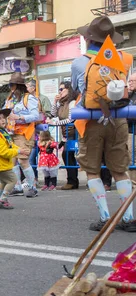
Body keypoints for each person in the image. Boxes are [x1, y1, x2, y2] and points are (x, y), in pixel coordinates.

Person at [71, 16, 136, 231]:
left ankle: (105, 217)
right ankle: (128, 218)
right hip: (118, 118)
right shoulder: (124, 59)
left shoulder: (80, 62)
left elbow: (76, 89)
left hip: (91, 121)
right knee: (120, 169)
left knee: (92, 169)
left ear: (88, 39)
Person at [3, 72, 40, 198]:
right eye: (10, 85)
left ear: (17, 86)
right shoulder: (9, 99)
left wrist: (19, 117)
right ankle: (17, 187)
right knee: (12, 161)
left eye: (12, 85)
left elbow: (36, 116)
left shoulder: (29, 98)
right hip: (11, 133)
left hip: (24, 134)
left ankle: (32, 187)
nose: (10, 88)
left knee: (23, 160)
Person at [0, 109, 30, 209]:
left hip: (0, 164)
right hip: (1, 164)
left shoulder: (2, 133)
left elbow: (10, 145)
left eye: (3, 118)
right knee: (12, 180)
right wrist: (18, 152)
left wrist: (19, 149)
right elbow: (4, 152)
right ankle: (3, 199)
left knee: (3, 181)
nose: (3, 120)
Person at [48, 81, 79, 190]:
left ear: (68, 90)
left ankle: (72, 181)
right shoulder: (62, 103)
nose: (59, 92)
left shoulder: (72, 103)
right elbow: (53, 114)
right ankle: (72, 180)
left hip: (73, 132)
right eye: (59, 90)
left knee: (68, 155)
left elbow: (71, 119)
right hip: (66, 133)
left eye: (62, 89)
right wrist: (55, 101)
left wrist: (55, 123)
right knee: (67, 156)